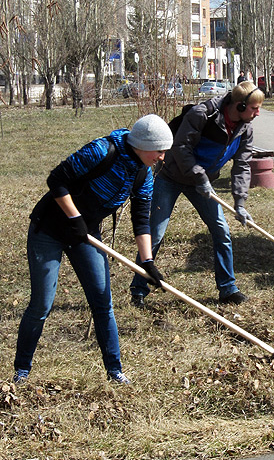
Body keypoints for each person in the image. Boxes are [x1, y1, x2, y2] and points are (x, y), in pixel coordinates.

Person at [13, 114, 173, 385]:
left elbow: (141, 218)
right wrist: (74, 217)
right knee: (41, 304)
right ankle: (21, 371)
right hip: (49, 229)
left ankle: (114, 371)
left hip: (85, 235)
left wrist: (147, 262)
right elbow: (56, 179)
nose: (162, 158)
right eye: (159, 151)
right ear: (143, 145)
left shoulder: (143, 173)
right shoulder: (102, 150)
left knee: (102, 301)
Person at [129, 81, 264, 308]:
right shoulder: (203, 114)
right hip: (171, 176)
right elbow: (181, 147)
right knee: (155, 233)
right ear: (240, 106)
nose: (257, 113)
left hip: (203, 184)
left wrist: (239, 202)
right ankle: (138, 289)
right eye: (254, 108)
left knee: (222, 231)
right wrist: (199, 176)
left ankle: (228, 289)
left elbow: (242, 165)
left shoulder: (244, 129)